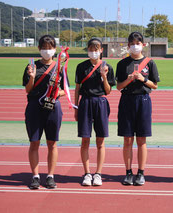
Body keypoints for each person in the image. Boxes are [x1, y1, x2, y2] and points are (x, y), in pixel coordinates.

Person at [116, 32, 160, 186]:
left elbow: (154, 85)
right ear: (128, 45)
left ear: (143, 44)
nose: (135, 45)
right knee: (127, 139)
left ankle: (141, 173)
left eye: (138, 42)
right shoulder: (122, 64)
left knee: (141, 139)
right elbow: (118, 87)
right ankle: (128, 172)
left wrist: (144, 79)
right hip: (127, 101)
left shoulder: (150, 63)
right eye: (132, 43)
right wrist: (128, 80)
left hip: (143, 101)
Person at [23, 35, 65, 189]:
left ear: (55, 49)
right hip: (34, 107)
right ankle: (35, 176)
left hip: (53, 107)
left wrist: (54, 94)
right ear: (39, 48)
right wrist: (32, 77)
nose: (47, 50)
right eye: (44, 47)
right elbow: (28, 90)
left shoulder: (59, 67)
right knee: (34, 142)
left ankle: (50, 176)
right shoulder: (32, 66)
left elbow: (65, 91)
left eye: (50, 47)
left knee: (52, 143)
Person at [74, 38, 115, 186]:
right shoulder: (81, 67)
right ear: (87, 50)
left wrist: (104, 76)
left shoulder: (107, 67)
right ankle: (86, 173)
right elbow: (77, 88)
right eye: (91, 49)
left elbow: (108, 91)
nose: (93, 52)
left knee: (100, 140)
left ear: (101, 50)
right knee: (85, 139)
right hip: (85, 103)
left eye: (96, 49)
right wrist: (76, 107)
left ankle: (98, 173)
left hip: (101, 103)